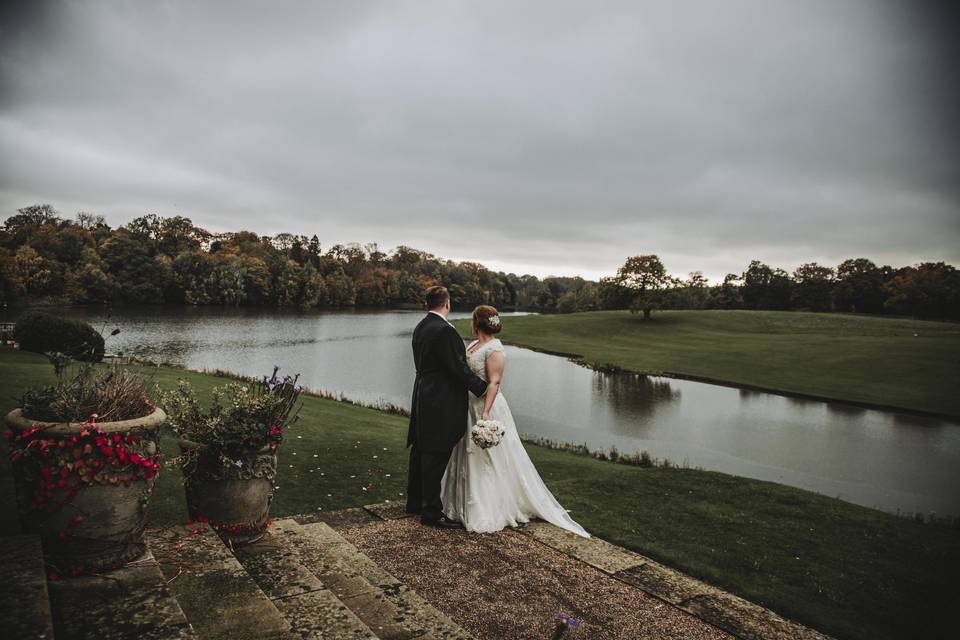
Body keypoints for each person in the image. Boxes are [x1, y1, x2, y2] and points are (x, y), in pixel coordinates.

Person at [441, 305, 589, 537]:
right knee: (465, 453)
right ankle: (458, 505)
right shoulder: (472, 345)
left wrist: (486, 413)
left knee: (488, 457)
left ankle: (488, 507)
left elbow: (494, 382)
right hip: (467, 406)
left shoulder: (495, 349)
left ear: (476, 322)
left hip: (485, 407)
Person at [406, 286, 488, 529]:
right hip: (439, 398)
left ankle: (415, 502)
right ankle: (431, 512)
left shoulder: (422, 326)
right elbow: (457, 367)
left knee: (421, 449)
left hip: (423, 393)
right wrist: (481, 387)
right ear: (447, 304)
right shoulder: (444, 330)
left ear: (427, 303)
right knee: (435, 452)